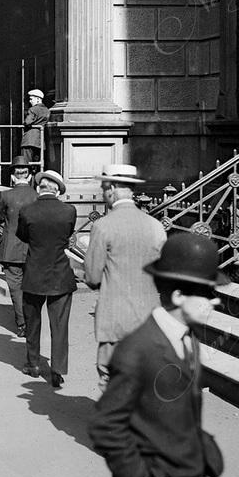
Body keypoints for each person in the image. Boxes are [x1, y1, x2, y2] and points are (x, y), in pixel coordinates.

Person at [88, 233, 227, 477]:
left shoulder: (187, 339)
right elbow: (105, 425)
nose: (215, 300)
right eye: (207, 293)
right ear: (178, 296)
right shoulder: (137, 350)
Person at [85, 163, 167, 390]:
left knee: (112, 380)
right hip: (149, 319)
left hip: (115, 320)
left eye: (103, 189)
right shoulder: (155, 226)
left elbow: (92, 276)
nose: (103, 194)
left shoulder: (103, 226)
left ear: (111, 189)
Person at [16, 169, 76, 386]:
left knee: (33, 322)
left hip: (33, 273)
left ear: (39, 187)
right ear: (58, 190)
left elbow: (23, 236)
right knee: (59, 325)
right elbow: (67, 235)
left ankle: (33, 364)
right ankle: (57, 370)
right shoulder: (69, 211)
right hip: (60, 274)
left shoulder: (27, 211)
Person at [0, 155, 39, 338]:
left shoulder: (6, 195)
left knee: (15, 288)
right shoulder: (37, 196)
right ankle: (33, 321)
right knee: (31, 287)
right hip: (33, 248)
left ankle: (22, 324)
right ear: (28, 176)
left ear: (12, 176)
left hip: (11, 249)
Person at [21, 88, 50, 166]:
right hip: (40, 140)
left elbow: (27, 122)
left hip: (29, 140)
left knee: (26, 163)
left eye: (31, 99)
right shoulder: (47, 110)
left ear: (38, 99)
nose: (30, 101)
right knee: (36, 164)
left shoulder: (33, 109)